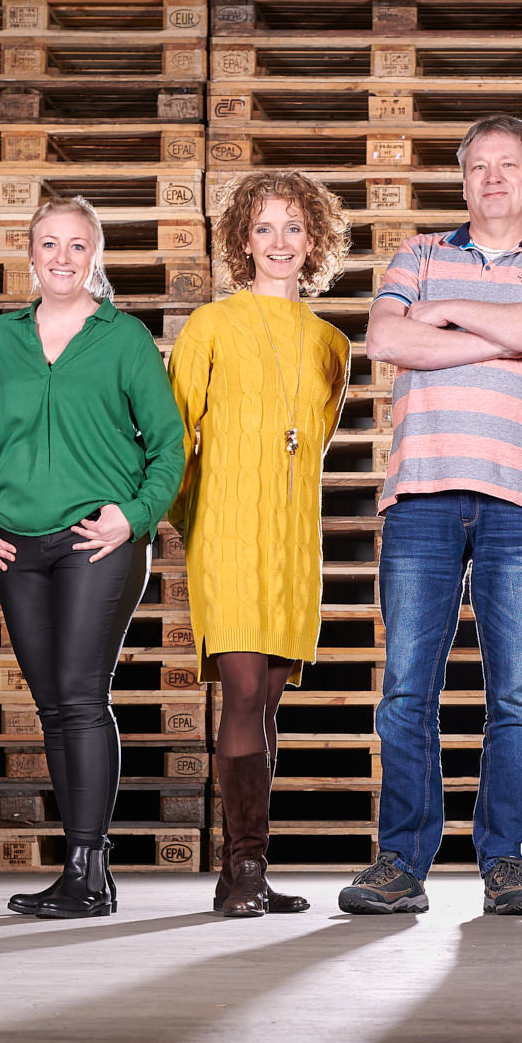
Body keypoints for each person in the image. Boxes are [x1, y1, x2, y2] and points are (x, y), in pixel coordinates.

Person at [337, 115, 522, 916]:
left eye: (508, 165)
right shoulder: (417, 253)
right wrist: (503, 336)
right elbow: (384, 338)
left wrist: (447, 314)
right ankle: (400, 864)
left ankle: (504, 863)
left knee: (515, 693)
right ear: (463, 180)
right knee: (406, 691)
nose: (493, 178)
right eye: (479, 166)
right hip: (423, 492)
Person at [0, 198, 186, 920]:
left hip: (97, 540)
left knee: (80, 694)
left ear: (95, 256)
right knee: (54, 705)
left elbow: (170, 445)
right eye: (47, 245)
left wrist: (136, 515)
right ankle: (78, 867)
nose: (60, 259)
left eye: (76, 246)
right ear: (28, 254)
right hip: (18, 546)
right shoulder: (0, 339)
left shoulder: (122, 338)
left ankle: (90, 871)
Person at [167, 171, 350, 917]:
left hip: (292, 544)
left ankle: (249, 872)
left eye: (294, 229)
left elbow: (315, 447)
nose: (280, 242)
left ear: (315, 243)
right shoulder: (209, 326)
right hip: (229, 532)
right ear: (243, 240)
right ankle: (241, 867)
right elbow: (177, 436)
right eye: (264, 228)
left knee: (269, 704)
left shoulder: (333, 344)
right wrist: (184, 522)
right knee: (242, 692)